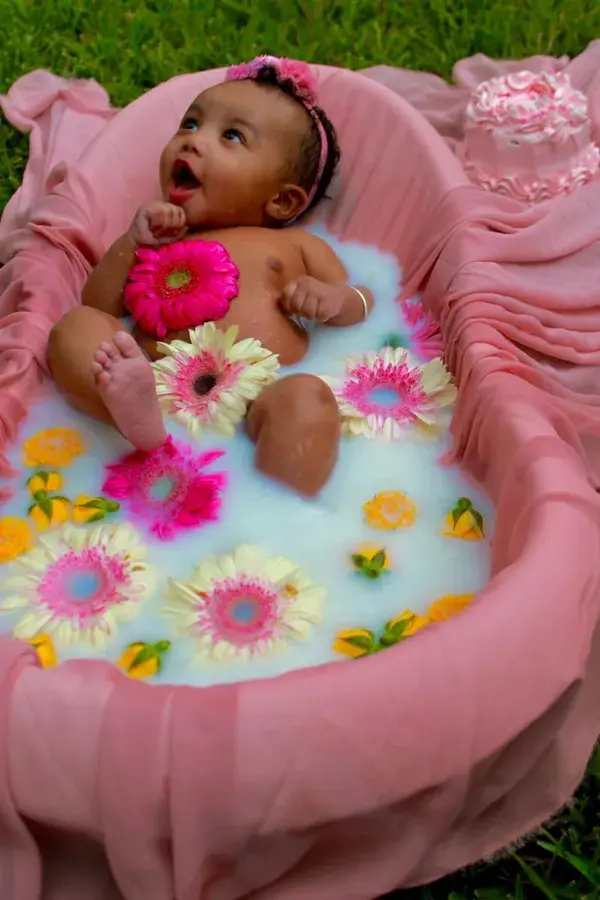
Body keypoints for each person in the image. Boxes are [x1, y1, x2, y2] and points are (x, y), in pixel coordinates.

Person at [48, 56, 373, 496]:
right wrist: (132, 242)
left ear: (282, 201)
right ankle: (133, 420)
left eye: (231, 136)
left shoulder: (293, 245)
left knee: (308, 401)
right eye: (190, 124)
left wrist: (335, 299)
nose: (193, 142)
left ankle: (282, 512)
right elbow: (99, 305)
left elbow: (363, 300)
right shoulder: (161, 233)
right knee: (74, 329)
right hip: (159, 384)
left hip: (260, 395)